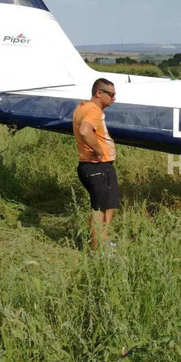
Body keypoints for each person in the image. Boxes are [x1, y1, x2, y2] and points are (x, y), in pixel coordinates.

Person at [73, 78, 119, 251]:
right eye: (111, 95)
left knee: (108, 206)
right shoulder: (93, 110)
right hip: (98, 167)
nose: (114, 98)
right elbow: (85, 130)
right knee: (99, 210)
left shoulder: (83, 107)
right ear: (99, 93)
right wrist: (99, 151)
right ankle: (99, 251)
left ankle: (102, 242)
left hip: (92, 167)